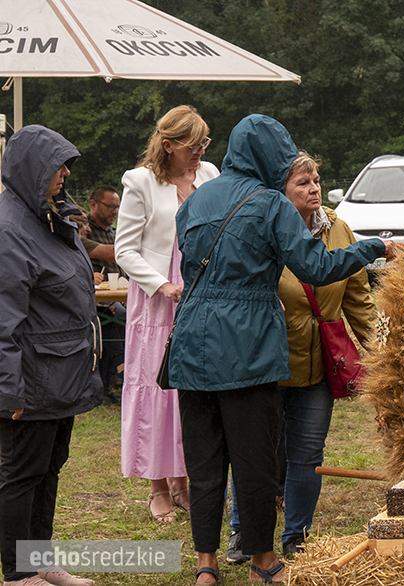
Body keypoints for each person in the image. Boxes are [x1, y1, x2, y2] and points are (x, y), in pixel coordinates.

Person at [168, 114, 395, 584]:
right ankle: (263, 561)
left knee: (204, 461)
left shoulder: (195, 199)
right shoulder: (271, 203)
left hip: (191, 343)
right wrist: (372, 248)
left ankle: (206, 563)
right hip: (247, 345)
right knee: (255, 460)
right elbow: (316, 267)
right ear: (269, 157)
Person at [225, 152, 378, 561]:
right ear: (281, 190)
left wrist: (383, 355)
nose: (313, 189)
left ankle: (297, 536)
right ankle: (242, 532)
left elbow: (358, 299)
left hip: (317, 366)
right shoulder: (262, 227)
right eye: (302, 183)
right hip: (266, 362)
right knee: (255, 451)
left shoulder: (338, 229)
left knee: (307, 454)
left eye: (316, 181)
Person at [0, 125, 102, 586]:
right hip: (31, 381)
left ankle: (40, 560)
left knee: (47, 470)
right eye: (57, 164)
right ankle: (19, 574)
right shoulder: (9, 230)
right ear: (31, 169)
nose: (66, 173)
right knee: (22, 475)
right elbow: (2, 319)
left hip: (60, 375)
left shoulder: (49, 218)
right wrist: (9, 391)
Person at [115, 105, 219, 523]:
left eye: (204, 143)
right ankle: (157, 487)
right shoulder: (140, 181)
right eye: (194, 145)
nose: (200, 151)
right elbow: (125, 250)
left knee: (191, 390)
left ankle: (182, 481)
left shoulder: (209, 175)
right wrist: (162, 285)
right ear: (169, 144)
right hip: (158, 297)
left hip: (201, 290)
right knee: (155, 389)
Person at [82, 185, 126, 405]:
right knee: (119, 315)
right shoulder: (83, 232)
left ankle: (118, 378)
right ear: (93, 204)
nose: (114, 212)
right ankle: (121, 375)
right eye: (110, 207)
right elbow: (111, 254)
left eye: (117, 207)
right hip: (94, 299)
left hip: (115, 297)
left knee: (123, 313)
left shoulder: (114, 233)